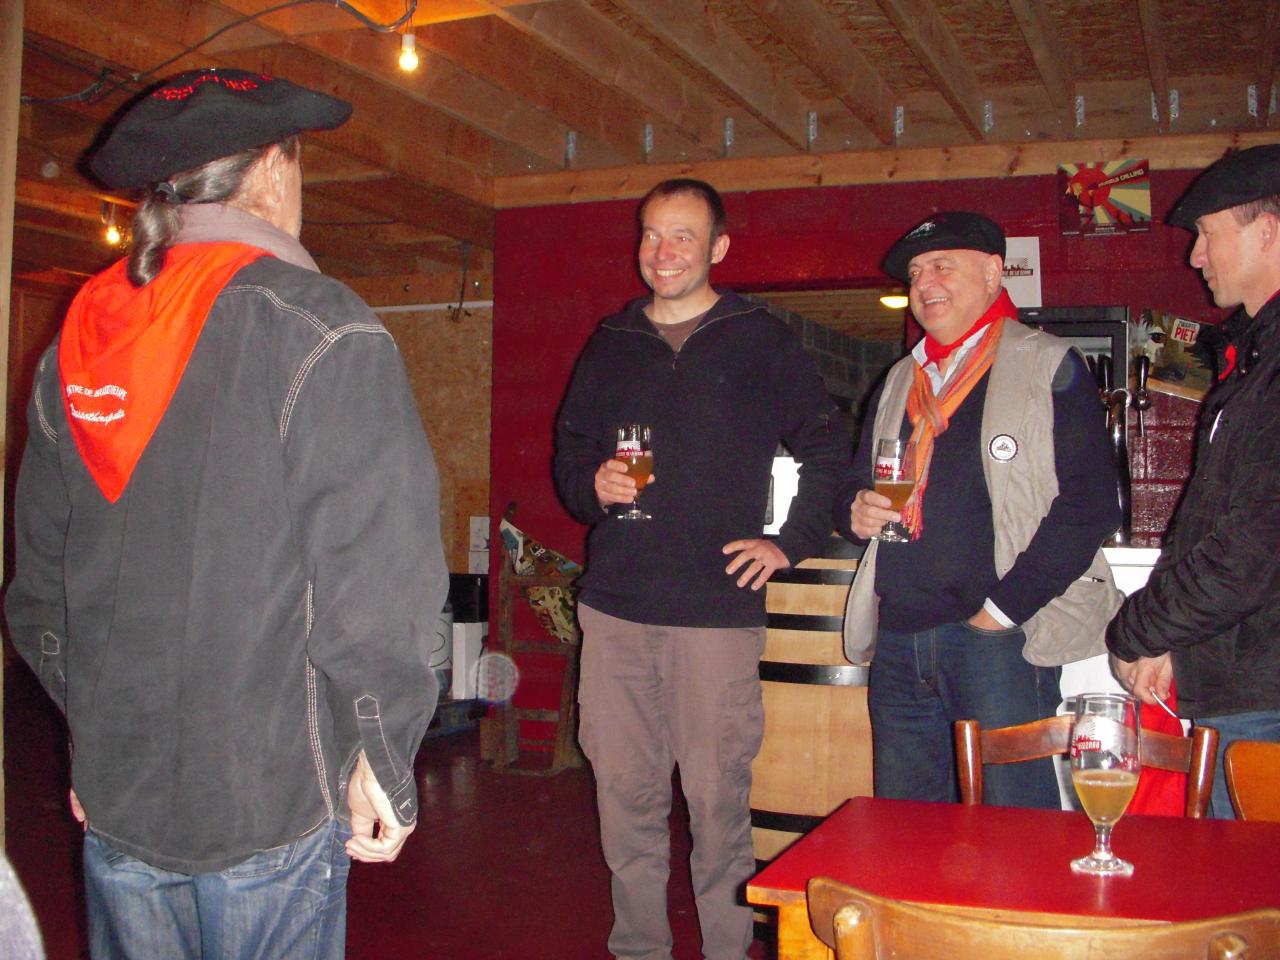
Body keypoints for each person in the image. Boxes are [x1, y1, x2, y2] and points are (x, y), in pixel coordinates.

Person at [4, 68, 447, 959]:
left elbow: (42, 587)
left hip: (121, 796)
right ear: (275, 169)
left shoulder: (78, 338)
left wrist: (97, 743)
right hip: (266, 802)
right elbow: (378, 583)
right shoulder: (318, 325)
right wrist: (381, 752)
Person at [553, 178, 847, 960]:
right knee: (625, 803)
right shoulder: (612, 340)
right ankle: (639, 949)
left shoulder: (761, 339)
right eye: (651, 234)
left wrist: (789, 541)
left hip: (716, 612)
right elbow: (570, 455)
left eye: (682, 235)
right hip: (616, 610)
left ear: (718, 246)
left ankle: (725, 950)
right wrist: (592, 485)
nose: (662, 252)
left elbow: (827, 448)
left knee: (718, 808)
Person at [836, 212, 1122, 808]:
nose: (924, 283)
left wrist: (1002, 612)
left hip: (997, 640)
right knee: (908, 828)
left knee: (1013, 829)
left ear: (994, 273)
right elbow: (855, 485)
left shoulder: (1049, 363)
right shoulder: (901, 378)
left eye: (942, 266)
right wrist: (855, 509)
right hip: (900, 638)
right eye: (917, 273)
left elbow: (1091, 505)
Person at [1107, 144, 1280, 818]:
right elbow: (1211, 529)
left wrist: (1135, 631)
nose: (1195, 256)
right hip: (1247, 692)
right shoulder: (1255, 356)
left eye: (1207, 233)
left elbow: (1251, 550)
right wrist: (1170, 641)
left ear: (1267, 232)